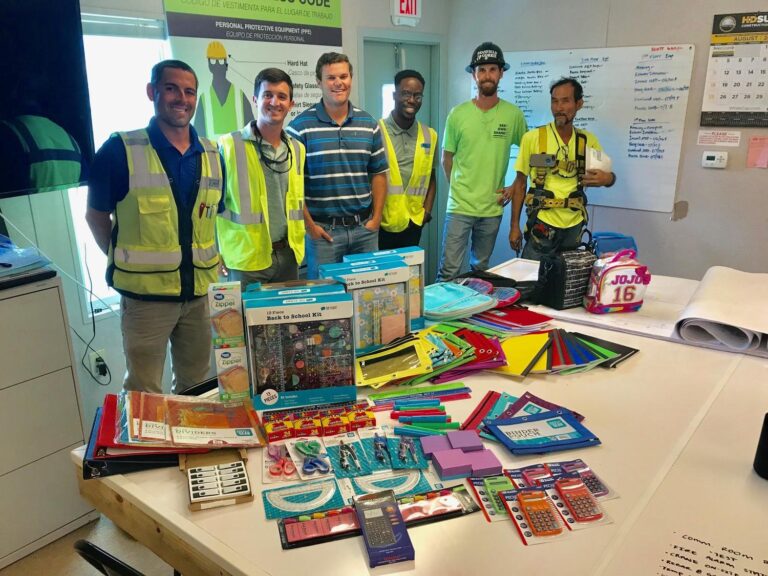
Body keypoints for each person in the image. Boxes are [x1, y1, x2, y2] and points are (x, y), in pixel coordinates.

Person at [86, 60, 223, 394]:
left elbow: (208, 219)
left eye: (189, 91)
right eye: (172, 88)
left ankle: (191, 445)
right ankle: (149, 448)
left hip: (199, 296)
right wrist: (123, 257)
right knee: (144, 390)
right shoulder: (120, 150)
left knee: (198, 385)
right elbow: (96, 216)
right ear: (153, 92)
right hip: (146, 301)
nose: (182, 98)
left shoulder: (212, 153)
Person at [286, 52, 388, 279]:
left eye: (343, 76)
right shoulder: (299, 128)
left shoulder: (369, 124)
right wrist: (310, 227)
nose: (338, 83)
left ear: (351, 79)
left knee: (367, 297)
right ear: (319, 82)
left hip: (364, 231)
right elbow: (293, 186)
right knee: (327, 303)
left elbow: (379, 174)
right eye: (331, 78)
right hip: (323, 235)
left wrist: (376, 220)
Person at [438, 42, 527, 281]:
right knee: (449, 271)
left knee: (480, 271)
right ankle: (444, 316)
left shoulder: (513, 115)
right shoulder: (458, 114)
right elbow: (447, 158)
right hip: (459, 207)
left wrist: (514, 186)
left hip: (492, 207)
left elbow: (526, 156)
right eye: (482, 70)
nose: (487, 75)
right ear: (474, 75)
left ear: (500, 73)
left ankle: (471, 317)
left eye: (492, 69)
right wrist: (459, 187)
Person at [508, 77, 616, 260]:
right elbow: (519, 185)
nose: (559, 108)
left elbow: (608, 177)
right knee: (530, 281)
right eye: (555, 101)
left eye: (565, 101)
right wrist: (514, 226)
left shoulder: (587, 141)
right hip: (542, 223)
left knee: (566, 283)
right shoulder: (533, 138)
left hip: (573, 226)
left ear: (578, 104)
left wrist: (608, 179)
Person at [217, 68, 306, 288]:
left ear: (290, 105)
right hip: (247, 260)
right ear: (256, 99)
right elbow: (211, 204)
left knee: (287, 321)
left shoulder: (297, 149)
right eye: (268, 95)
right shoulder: (229, 145)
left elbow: (296, 202)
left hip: (288, 256)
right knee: (246, 322)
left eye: (282, 97)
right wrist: (214, 252)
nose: (274, 102)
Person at [378, 69, 437, 250]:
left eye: (417, 95)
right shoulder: (375, 131)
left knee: (410, 275)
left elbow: (431, 177)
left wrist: (426, 211)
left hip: (413, 222)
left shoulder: (430, 135)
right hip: (382, 224)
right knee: (382, 276)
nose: (412, 100)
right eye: (406, 94)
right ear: (395, 95)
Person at [194, 41, 254, 139]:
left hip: (240, 154)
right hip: (211, 154)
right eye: (214, 61)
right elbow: (198, 136)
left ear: (226, 64)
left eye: (221, 61)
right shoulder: (205, 99)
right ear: (209, 65)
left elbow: (253, 134)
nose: (217, 65)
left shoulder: (239, 96)